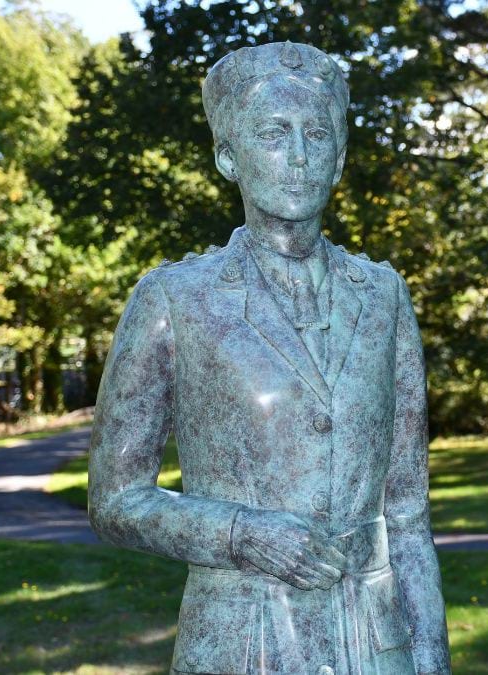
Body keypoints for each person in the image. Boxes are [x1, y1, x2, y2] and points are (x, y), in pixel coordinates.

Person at [87, 41, 450, 675]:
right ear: (229, 157)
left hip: (373, 645)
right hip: (242, 642)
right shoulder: (177, 298)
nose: (300, 157)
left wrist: (430, 660)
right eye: (274, 134)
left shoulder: (383, 296)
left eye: (317, 134)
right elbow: (115, 498)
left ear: (339, 158)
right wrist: (240, 533)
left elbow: (409, 515)